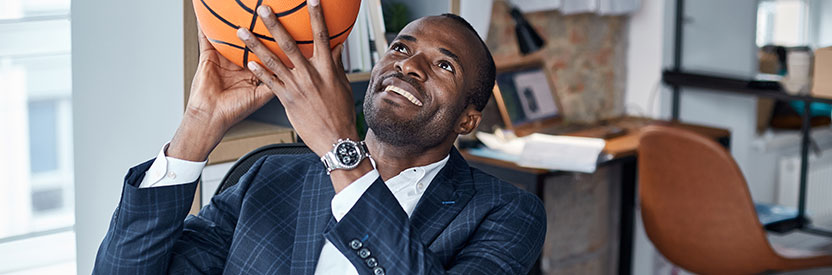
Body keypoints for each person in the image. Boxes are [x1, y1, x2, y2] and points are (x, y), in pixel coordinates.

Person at [93, 0, 546, 274]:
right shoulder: (269, 176)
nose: (409, 65)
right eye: (402, 47)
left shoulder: (506, 212)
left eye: (445, 65)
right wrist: (198, 123)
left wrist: (339, 151)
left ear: (469, 119)